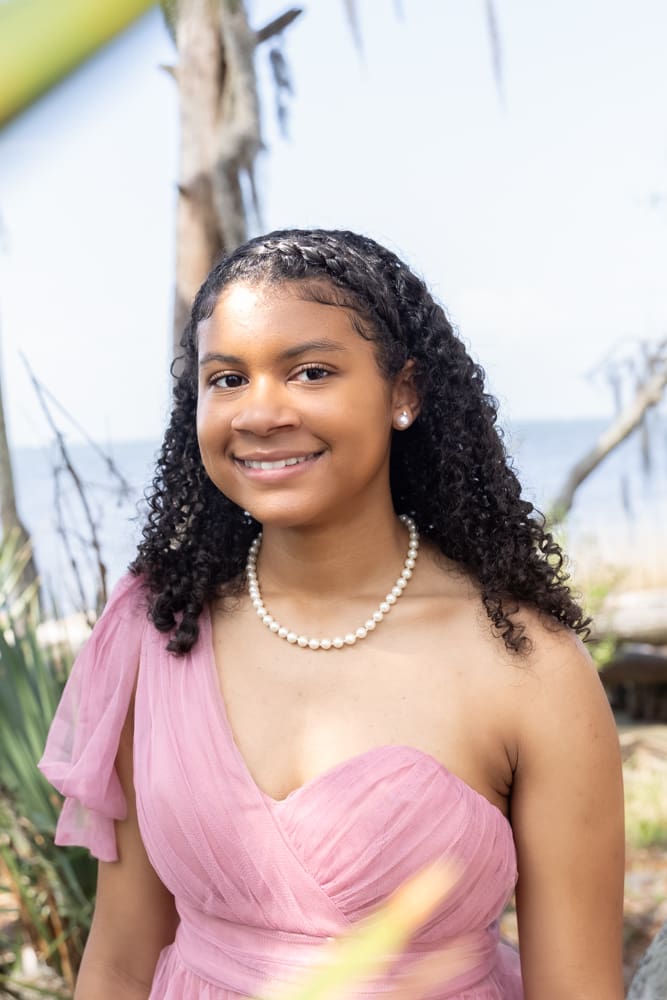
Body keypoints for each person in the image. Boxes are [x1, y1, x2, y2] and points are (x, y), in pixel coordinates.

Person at [39, 228, 625, 999]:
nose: (259, 412)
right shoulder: (160, 627)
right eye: (226, 379)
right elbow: (120, 960)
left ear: (403, 393)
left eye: (310, 372)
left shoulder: (528, 663)